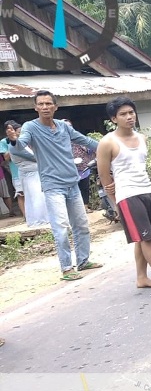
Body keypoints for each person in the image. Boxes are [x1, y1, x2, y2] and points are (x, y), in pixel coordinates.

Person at [7, 90, 103, 280]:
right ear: (35, 107)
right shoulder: (30, 127)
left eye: (48, 104)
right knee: (60, 227)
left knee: (81, 225)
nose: (45, 107)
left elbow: (84, 140)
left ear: (55, 107)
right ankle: (67, 268)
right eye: (41, 104)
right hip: (52, 186)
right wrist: (13, 141)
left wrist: (108, 146)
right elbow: (21, 145)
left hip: (72, 182)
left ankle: (83, 261)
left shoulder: (63, 126)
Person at [96, 96, 151, 295]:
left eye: (131, 112)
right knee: (146, 239)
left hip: (146, 191)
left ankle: (142, 277)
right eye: (123, 114)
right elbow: (103, 174)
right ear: (114, 119)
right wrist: (115, 202)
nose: (129, 117)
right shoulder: (108, 142)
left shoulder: (142, 138)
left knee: (142, 238)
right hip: (127, 195)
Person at [2, 121, 49, 227]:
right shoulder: (15, 146)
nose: (22, 133)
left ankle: (40, 218)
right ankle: (40, 219)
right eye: (20, 132)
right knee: (36, 195)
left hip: (32, 173)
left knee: (36, 195)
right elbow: (33, 157)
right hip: (30, 173)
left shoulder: (22, 144)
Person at [63, 119, 96, 213]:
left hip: (83, 167)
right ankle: (76, 209)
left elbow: (90, 148)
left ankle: (85, 207)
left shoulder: (79, 138)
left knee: (84, 187)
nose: (68, 128)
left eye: (69, 126)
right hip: (68, 169)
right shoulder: (59, 141)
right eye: (65, 126)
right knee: (73, 189)